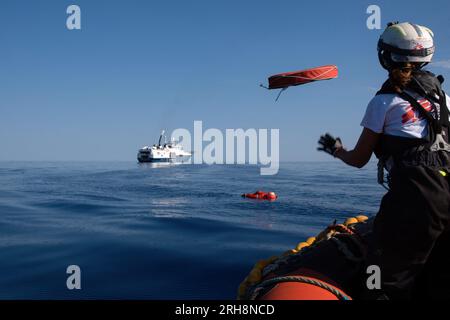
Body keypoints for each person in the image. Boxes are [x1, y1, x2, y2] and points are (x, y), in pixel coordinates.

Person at [318, 22, 450, 300]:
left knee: (379, 280)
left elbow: (358, 159)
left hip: (417, 197)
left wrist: (336, 149)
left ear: (385, 57)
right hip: (445, 191)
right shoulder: (446, 100)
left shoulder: (384, 102)